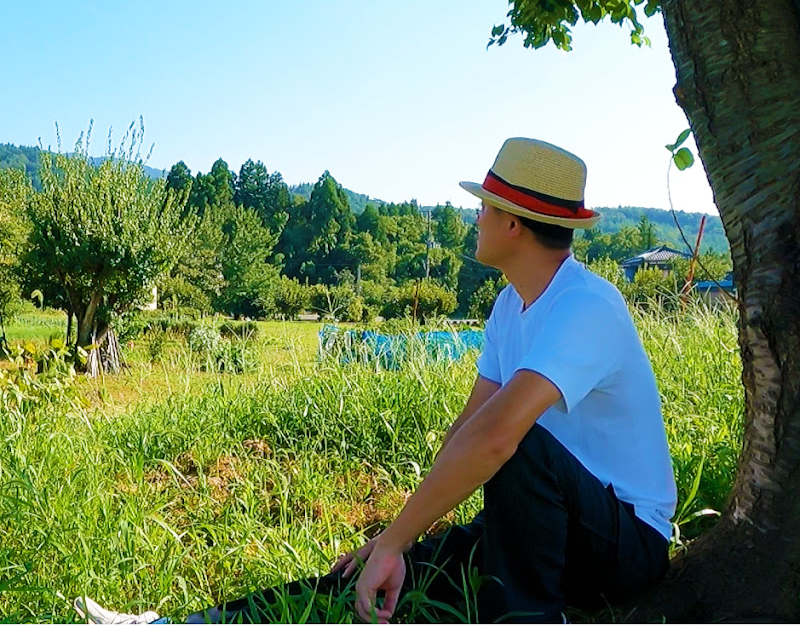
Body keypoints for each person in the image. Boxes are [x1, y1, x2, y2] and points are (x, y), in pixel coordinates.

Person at [77, 137, 676, 625]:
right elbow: (464, 434)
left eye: (485, 208)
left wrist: (396, 538)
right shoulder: (506, 309)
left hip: (623, 542)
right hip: (539, 525)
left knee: (511, 449)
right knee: (372, 579)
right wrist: (397, 538)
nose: (476, 217)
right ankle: (175, 625)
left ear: (514, 224)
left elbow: (496, 440)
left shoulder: (586, 306)